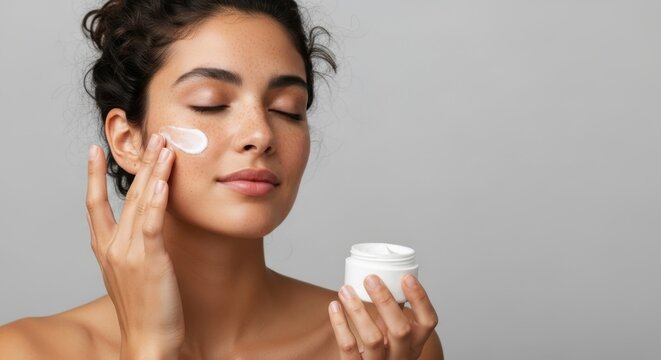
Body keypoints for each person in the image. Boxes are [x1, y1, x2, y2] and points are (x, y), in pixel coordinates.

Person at [0, 0, 442, 358]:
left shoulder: (384, 343)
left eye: (288, 108)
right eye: (210, 103)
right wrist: (148, 350)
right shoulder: (26, 351)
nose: (260, 134)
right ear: (127, 139)